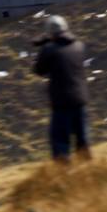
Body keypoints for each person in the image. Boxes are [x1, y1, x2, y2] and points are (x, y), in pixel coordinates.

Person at [33, 15, 91, 162]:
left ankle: (64, 177)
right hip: (80, 100)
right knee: (82, 140)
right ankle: (90, 172)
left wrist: (44, 46)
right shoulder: (78, 46)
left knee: (60, 142)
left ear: (50, 32)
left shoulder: (50, 50)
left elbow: (39, 70)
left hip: (62, 103)